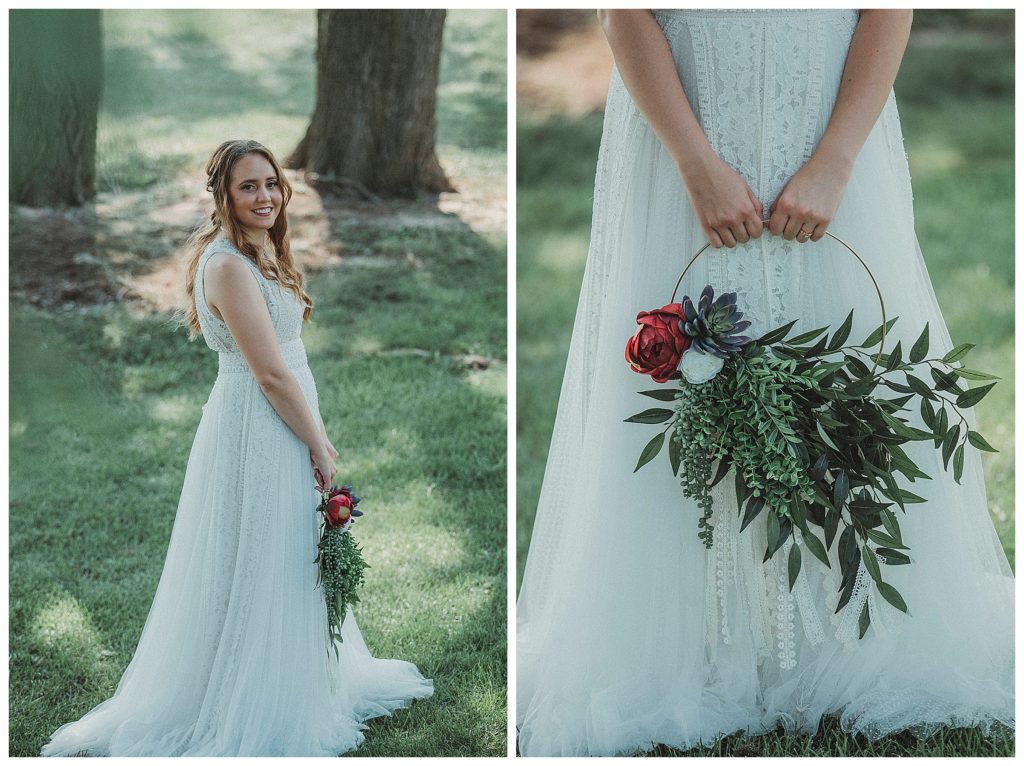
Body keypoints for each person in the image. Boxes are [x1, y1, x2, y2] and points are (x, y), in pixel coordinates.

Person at [516, 10, 1013, 757]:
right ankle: (702, 639)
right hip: (688, 127)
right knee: (690, 378)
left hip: (826, 116)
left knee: (839, 338)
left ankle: (853, 635)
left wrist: (837, 158)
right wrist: (694, 162)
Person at [41, 139, 433, 757]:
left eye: (271, 184)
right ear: (223, 195)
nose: (265, 197)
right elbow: (270, 375)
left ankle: (296, 676)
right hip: (259, 425)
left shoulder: (262, 253)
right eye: (248, 187)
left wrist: (313, 431)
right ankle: (245, 695)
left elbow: (287, 367)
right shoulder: (227, 266)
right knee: (257, 552)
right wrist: (320, 443)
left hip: (282, 417)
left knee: (284, 551)